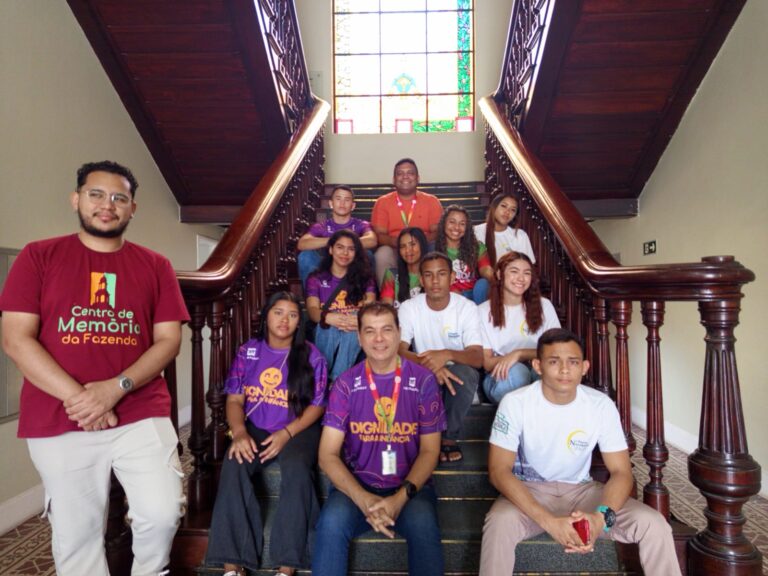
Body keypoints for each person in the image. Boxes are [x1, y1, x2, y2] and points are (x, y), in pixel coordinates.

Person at [0, 161, 188, 575]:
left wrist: (115, 388)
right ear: (77, 199)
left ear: (132, 208)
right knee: (76, 533)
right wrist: (84, 398)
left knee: (162, 512)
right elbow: (15, 339)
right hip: (59, 415)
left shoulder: (155, 265)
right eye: (96, 194)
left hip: (140, 411)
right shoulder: (39, 256)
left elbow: (168, 340)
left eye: (119, 198)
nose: (108, 205)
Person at [479, 329, 681, 576]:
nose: (565, 370)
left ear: (584, 367)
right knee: (498, 524)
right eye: (554, 361)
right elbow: (499, 471)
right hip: (530, 492)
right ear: (537, 366)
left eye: (573, 362)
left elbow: (621, 473)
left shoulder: (600, 405)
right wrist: (549, 522)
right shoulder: (515, 403)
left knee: (654, 524)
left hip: (582, 492)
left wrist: (599, 519)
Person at [312, 303, 446, 576]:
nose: (379, 339)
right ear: (359, 338)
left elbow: (430, 451)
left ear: (399, 334)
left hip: (410, 488)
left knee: (423, 524)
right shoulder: (346, 384)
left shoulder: (423, 381)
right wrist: (362, 499)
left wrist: (399, 499)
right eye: (370, 331)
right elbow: (326, 455)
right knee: (330, 523)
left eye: (387, 329)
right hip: (356, 486)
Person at [205, 292, 328, 576]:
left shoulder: (312, 356)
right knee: (235, 463)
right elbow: (235, 400)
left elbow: (318, 406)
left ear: (299, 322)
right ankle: (233, 563)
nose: (285, 320)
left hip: (298, 428)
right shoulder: (249, 351)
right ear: (266, 316)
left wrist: (287, 433)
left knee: (297, 469)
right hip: (255, 426)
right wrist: (238, 432)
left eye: (293, 315)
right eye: (278, 312)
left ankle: (288, 564)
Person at [398, 252, 483, 464]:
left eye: (442, 274)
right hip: (421, 371)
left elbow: (477, 357)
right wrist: (432, 365)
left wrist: (446, 355)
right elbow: (398, 351)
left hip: (456, 373)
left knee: (465, 374)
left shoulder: (467, 308)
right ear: (421, 279)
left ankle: (448, 438)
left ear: (452, 277)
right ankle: (420, 438)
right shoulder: (409, 307)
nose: (435, 281)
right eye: (429, 275)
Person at [479, 252, 560, 404]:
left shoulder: (544, 306)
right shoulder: (482, 311)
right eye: (514, 271)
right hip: (500, 376)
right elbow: (487, 363)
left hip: (537, 366)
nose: (521, 278)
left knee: (549, 372)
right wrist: (514, 360)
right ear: (499, 274)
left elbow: (556, 351)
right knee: (518, 373)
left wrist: (519, 354)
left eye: (527, 273)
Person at [306, 229, 376, 381]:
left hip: (354, 329)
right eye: (340, 247)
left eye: (351, 249)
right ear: (330, 250)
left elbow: (370, 306)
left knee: (354, 321)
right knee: (326, 324)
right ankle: (337, 381)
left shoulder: (366, 278)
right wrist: (328, 316)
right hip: (326, 329)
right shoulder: (316, 278)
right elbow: (312, 310)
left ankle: (330, 380)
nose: (345, 253)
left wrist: (357, 320)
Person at [370, 158, 443, 284]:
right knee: (382, 254)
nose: (405, 176)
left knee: (436, 248)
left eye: (410, 173)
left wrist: (417, 244)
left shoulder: (432, 201)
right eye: (400, 173)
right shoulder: (382, 202)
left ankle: (429, 294)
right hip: (394, 248)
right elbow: (379, 236)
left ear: (418, 178)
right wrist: (401, 243)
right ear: (394, 179)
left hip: (424, 247)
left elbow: (437, 232)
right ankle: (388, 299)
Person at [296, 185, 377, 287]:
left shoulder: (361, 224)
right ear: (331, 204)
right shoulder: (321, 226)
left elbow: (372, 240)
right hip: (326, 264)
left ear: (353, 206)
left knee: (368, 254)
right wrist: (333, 240)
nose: (342, 203)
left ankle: (366, 297)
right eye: (338, 199)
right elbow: (302, 244)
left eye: (347, 200)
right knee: (305, 256)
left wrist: (344, 243)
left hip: (351, 265)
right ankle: (312, 297)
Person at [434, 204, 493, 304]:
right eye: (452, 222)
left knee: (483, 284)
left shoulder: (476, 247)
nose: (456, 227)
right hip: (448, 294)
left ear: (467, 228)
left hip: (474, 294)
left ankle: (478, 315)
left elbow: (485, 268)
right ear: (444, 223)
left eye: (462, 224)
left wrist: (496, 276)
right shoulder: (434, 248)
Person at [474, 193, 535, 265]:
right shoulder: (476, 231)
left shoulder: (520, 235)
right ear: (494, 207)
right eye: (503, 206)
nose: (507, 212)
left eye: (513, 210)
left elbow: (527, 266)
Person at [379, 227, 427, 308]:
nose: (408, 250)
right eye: (402, 246)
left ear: (422, 245)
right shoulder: (392, 275)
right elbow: (387, 309)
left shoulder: (431, 275)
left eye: (412, 244)